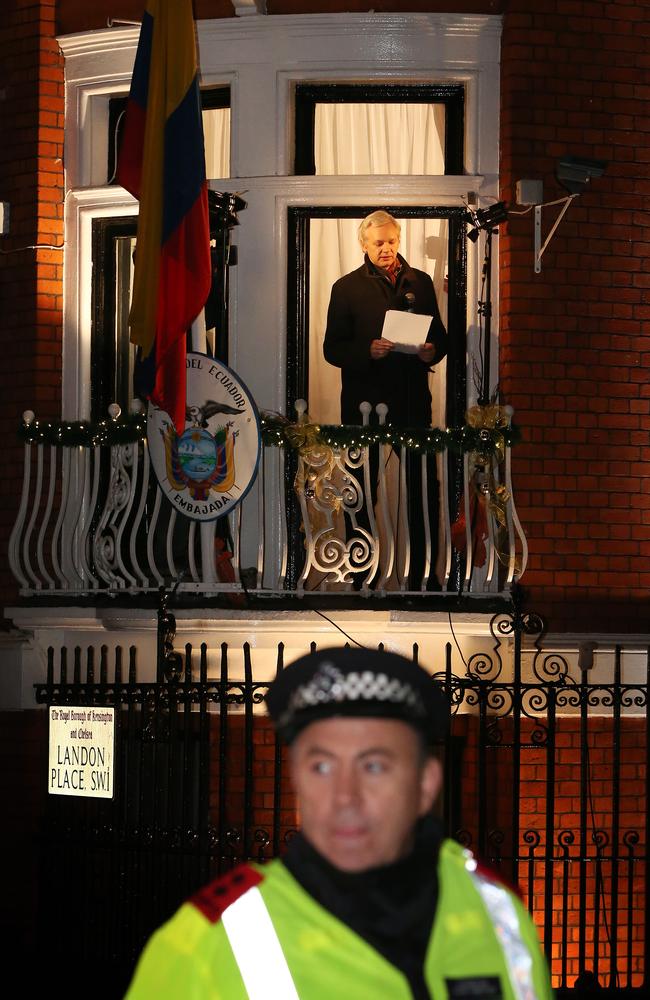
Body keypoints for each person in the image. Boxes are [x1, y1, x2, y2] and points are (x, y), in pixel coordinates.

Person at [125, 646, 553, 1000]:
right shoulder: (208, 940)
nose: (345, 797)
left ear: (426, 783)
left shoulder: (498, 915)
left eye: (374, 766)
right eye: (322, 768)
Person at [323, 211, 448, 588]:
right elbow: (332, 348)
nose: (386, 249)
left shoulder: (421, 283)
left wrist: (431, 352)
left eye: (391, 241)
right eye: (378, 243)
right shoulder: (346, 288)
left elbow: (440, 337)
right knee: (359, 490)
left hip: (411, 401)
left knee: (422, 489)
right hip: (364, 402)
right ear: (363, 244)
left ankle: (424, 578)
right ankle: (363, 575)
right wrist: (368, 350)